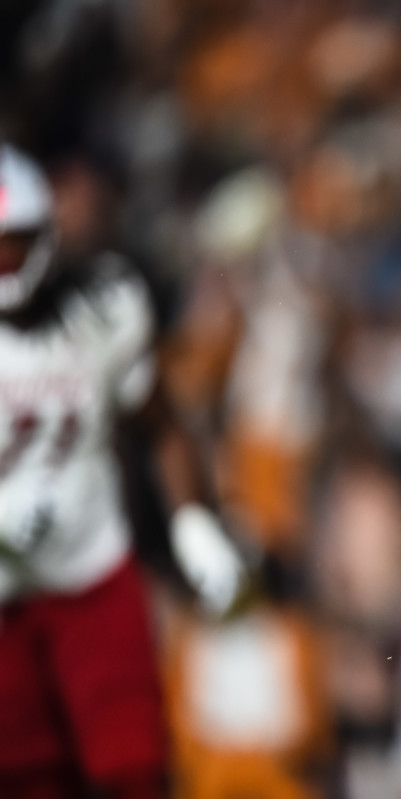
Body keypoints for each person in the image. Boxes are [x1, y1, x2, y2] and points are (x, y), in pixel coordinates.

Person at [0, 144, 246, 798]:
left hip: (91, 570)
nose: (4, 264)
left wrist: (194, 525)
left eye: (12, 245)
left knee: (133, 766)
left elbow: (160, 423)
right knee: (24, 777)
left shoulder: (103, 309)